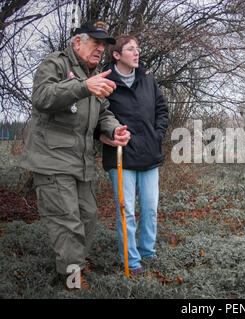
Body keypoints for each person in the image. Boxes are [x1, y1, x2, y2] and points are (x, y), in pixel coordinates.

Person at [20, 20, 131, 289]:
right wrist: (83, 86)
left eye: (103, 45)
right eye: (95, 42)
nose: (100, 49)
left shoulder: (93, 75)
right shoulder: (57, 64)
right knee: (67, 224)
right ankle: (72, 282)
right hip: (52, 162)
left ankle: (74, 267)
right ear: (76, 42)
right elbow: (42, 97)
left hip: (80, 164)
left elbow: (103, 113)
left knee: (88, 217)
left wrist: (114, 130)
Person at [98, 35, 168, 275]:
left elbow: (161, 108)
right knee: (126, 210)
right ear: (116, 55)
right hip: (120, 156)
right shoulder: (105, 81)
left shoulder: (147, 78)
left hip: (149, 153)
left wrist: (157, 135)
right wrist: (105, 135)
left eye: (137, 49)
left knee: (149, 208)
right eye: (130, 49)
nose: (136, 53)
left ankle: (147, 252)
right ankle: (132, 260)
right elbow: (96, 116)